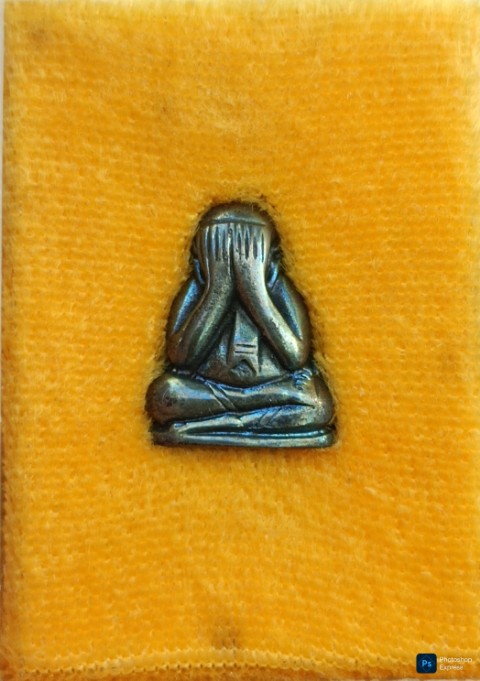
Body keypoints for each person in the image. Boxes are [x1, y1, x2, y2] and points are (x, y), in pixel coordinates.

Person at [146, 202, 335, 447]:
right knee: (165, 395)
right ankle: (241, 421)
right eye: (222, 254)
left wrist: (254, 291)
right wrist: (218, 289)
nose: (236, 264)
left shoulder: (277, 288)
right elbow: (182, 357)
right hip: (213, 389)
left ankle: (213, 424)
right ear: (200, 258)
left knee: (317, 403)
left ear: (272, 259)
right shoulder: (199, 288)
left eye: (248, 255)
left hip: (270, 387)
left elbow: (295, 357)